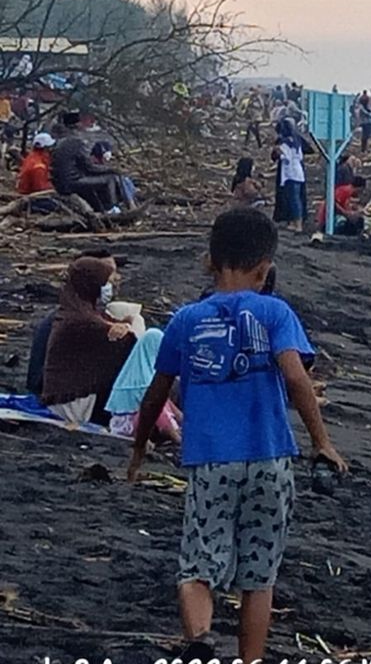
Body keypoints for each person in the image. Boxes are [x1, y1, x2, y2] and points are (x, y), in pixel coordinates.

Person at [126, 208, 347, 662]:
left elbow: (154, 396)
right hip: (269, 457)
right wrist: (321, 442)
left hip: (210, 460)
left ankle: (201, 639)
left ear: (210, 261)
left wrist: (138, 449)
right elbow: (296, 377)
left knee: (197, 565)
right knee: (258, 577)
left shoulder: (186, 320)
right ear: (265, 268)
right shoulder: (275, 312)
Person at [39, 256, 137, 425]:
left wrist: (123, 324)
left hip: (62, 396)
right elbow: (125, 344)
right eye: (104, 282)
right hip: (72, 402)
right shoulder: (82, 321)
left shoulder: (75, 309)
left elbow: (106, 324)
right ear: (90, 284)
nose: (108, 287)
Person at [105, 328, 182, 442]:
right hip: (127, 427)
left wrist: (183, 419)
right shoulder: (141, 380)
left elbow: (165, 401)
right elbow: (157, 407)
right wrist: (178, 438)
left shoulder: (142, 372)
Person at [50, 114, 126, 213]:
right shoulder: (76, 142)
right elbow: (88, 167)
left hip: (60, 182)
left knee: (99, 179)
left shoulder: (60, 141)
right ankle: (112, 209)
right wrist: (110, 169)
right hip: (71, 182)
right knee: (110, 178)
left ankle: (101, 207)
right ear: (77, 125)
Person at [272, 118, 306, 232]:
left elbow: (286, 158)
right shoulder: (296, 142)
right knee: (295, 198)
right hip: (298, 172)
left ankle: (298, 224)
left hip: (290, 173)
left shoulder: (285, 143)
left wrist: (279, 151)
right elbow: (300, 157)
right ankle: (294, 222)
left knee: (293, 199)